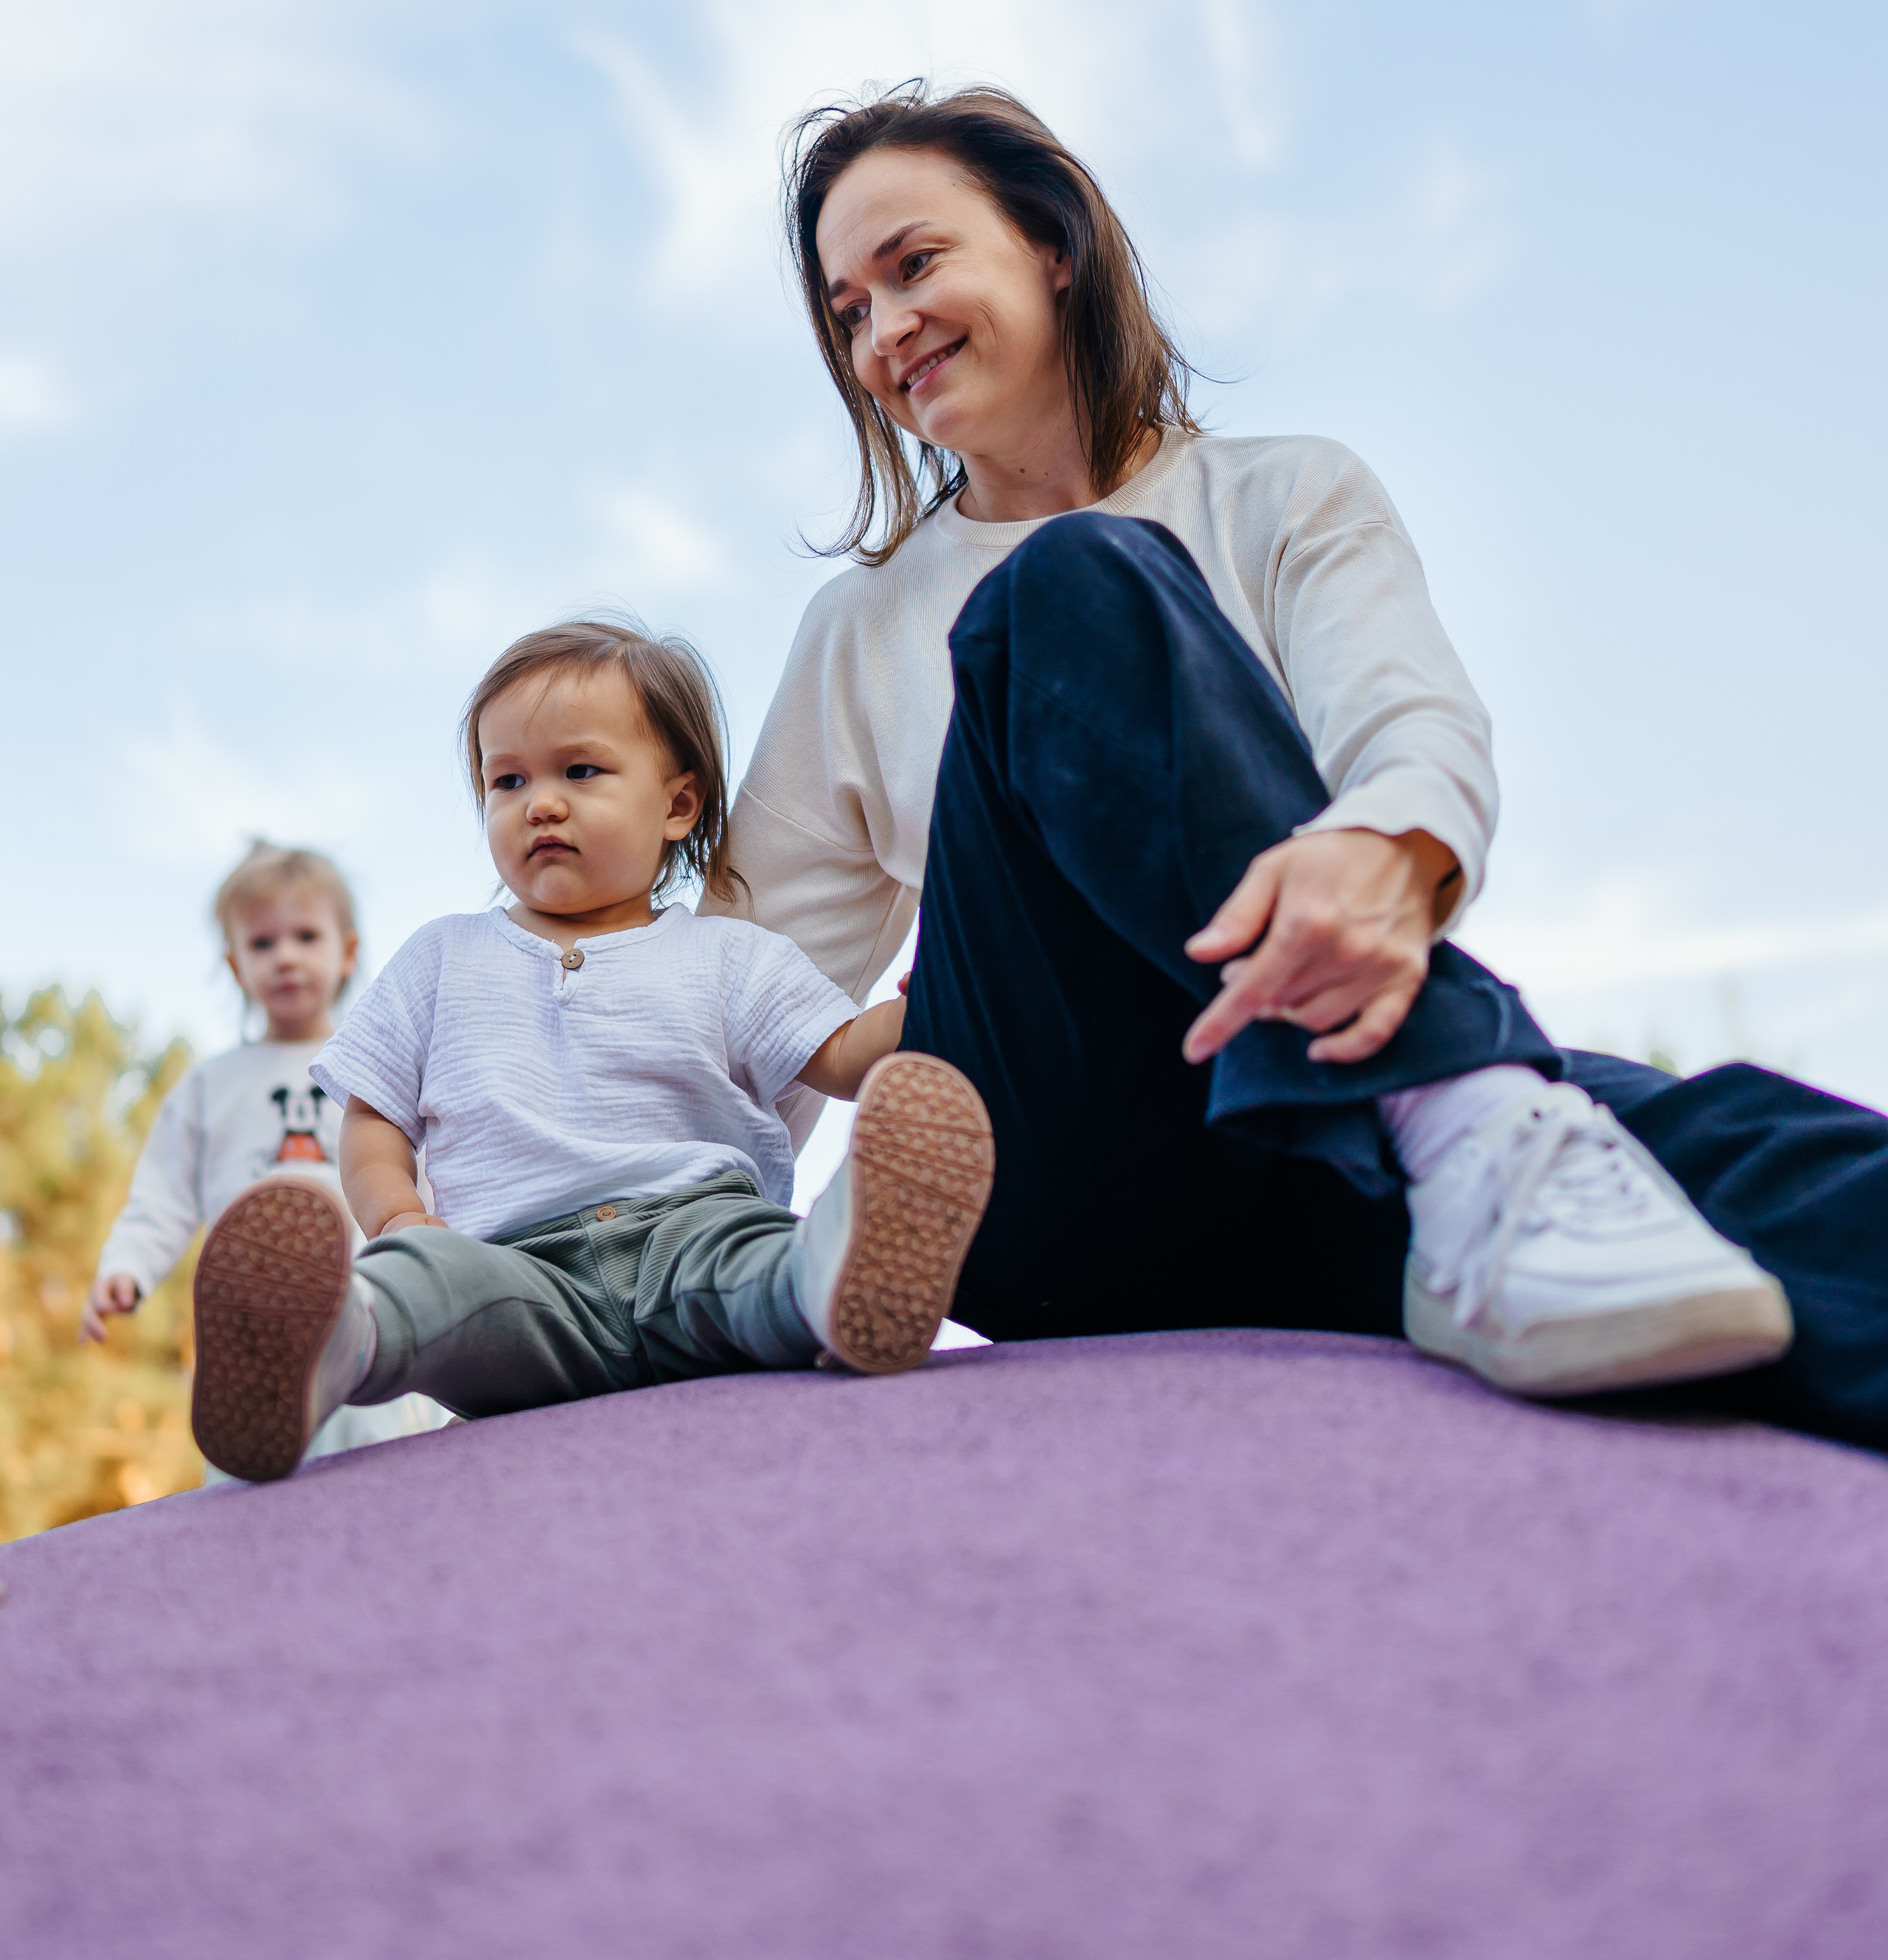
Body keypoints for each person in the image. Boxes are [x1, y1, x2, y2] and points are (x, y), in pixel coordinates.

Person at [718, 80, 1888, 1449]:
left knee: (1787, 1166)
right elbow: (742, 1000)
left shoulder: (1289, 495)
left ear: (1052, 244)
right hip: (1061, 1180)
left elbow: (1409, 732)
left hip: (1309, 1129)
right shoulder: (861, 632)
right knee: (1072, 587)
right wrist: (677, 1271)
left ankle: (1476, 1136)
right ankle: (1469, 1096)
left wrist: (1381, 856)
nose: (883, 333)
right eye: (848, 313)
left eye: (913, 265)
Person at [187, 622, 993, 1486]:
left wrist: (930, 1001)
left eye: (580, 771)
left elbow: (839, 1051)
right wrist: (396, 1220)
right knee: (427, 1287)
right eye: (507, 780)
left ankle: (845, 1274)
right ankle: (321, 1349)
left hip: (693, 1228)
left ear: (678, 805)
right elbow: (375, 1120)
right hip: (512, 1268)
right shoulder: (440, 958)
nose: (539, 802)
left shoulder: (728, 955)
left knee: (762, 1267)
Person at [84, 843, 448, 1477]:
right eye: (262, 944)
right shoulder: (209, 1086)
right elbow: (163, 1192)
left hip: (373, 1308)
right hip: (251, 1338)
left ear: (348, 951)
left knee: (391, 1469)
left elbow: (433, 1172)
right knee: (256, 1473)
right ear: (234, 965)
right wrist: (128, 1266)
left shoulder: (381, 1066)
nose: (285, 957)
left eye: (306, 936)